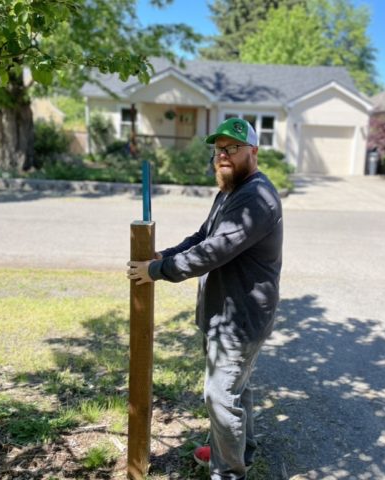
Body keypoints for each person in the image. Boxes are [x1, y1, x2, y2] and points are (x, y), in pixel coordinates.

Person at [127, 117, 283, 480]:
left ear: (253, 152)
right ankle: (240, 450)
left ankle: (228, 472)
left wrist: (157, 271)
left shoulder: (257, 199)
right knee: (236, 389)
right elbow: (203, 235)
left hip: (240, 318)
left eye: (231, 149)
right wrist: (163, 256)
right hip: (224, 312)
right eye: (218, 150)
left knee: (221, 396)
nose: (222, 156)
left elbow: (214, 251)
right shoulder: (232, 190)